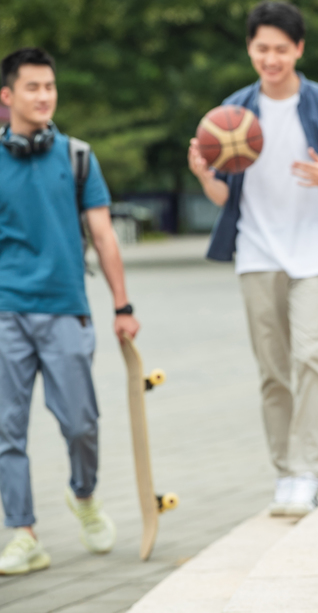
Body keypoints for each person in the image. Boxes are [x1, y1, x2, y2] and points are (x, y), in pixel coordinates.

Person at [188, 1, 318, 517]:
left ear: (299, 50)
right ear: (250, 49)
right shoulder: (233, 112)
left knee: (313, 357)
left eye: (281, 49)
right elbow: (225, 196)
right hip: (257, 252)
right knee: (272, 371)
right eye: (262, 48)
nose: (271, 58)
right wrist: (205, 176)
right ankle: (284, 472)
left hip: (315, 252)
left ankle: (308, 470)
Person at [0, 47, 141, 575]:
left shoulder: (78, 156)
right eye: (32, 87)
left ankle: (84, 495)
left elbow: (104, 236)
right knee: (7, 430)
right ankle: (24, 533)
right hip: (6, 309)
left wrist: (122, 305)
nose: (43, 96)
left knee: (81, 423)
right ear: (7, 96)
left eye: (50, 87)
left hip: (65, 308)